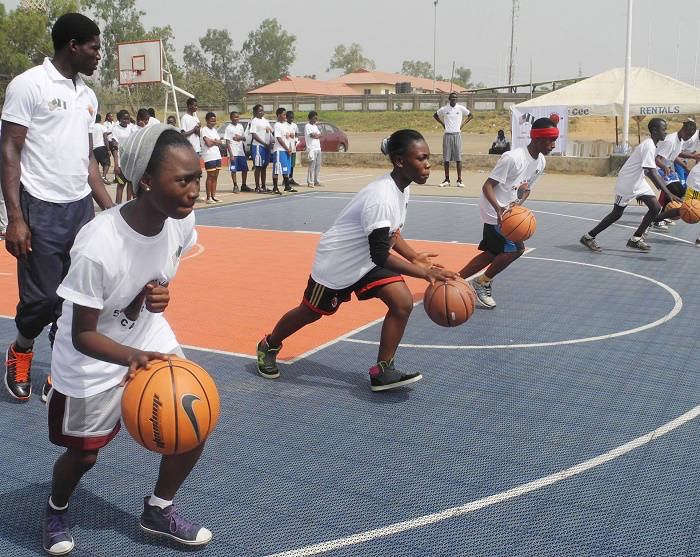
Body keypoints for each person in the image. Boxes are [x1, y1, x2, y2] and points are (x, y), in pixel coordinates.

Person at [41, 124, 211, 555]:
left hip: (148, 338)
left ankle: (158, 507)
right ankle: (56, 507)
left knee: (194, 421)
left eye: (196, 177)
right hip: (93, 356)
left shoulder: (180, 223)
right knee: (84, 456)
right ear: (147, 182)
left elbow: (153, 281)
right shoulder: (98, 244)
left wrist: (160, 296)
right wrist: (132, 356)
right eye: (183, 180)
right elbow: (82, 335)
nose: (194, 190)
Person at [256, 129, 459, 391]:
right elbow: (380, 254)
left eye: (428, 157)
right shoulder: (382, 196)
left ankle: (383, 370)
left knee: (402, 302)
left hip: (366, 261)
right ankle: (269, 344)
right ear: (400, 161)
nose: (428, 164)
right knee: (310, 313)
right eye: (421, 158)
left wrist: (413, 256)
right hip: (337, 264)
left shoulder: (402, 188)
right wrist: (424, 274)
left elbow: (391, 234)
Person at [1, 12, 113, 402]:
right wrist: (14, 217)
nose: (99, 56)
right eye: (95, 48)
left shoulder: (88, 96)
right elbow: (10, 149)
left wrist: (111, 212)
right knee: (42, 300)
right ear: (74, 46)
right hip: (39, 207)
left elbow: (88, 161)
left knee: (76, 298)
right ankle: (21, 349)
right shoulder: (28, 84)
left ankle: (61, 369)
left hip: (79, 209)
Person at [459, 118, 557, 309]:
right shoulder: (513, 158)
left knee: (492, 253)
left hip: (508, 211)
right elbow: (487, 186)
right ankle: (481, 282)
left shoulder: (541, 162)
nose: (553, 145)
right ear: (537, 139)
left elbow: (525, 189)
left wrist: (518, 207)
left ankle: (454, 280)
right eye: (549, 140)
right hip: (493, 209)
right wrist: (499, 209)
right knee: (516, 249)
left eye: (554, 140)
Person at [580, 118, 683, 253]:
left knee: (655, 207)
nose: (666, 132)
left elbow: (648, 170)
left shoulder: (652, 145)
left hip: (638, 181)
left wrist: (642, 193)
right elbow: (651, 172)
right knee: (616, 214)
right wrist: (668, 193)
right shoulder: (648, 146)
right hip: (627, 183)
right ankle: (589, 236)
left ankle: (635, 239)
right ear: (654, 131)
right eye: (664, 129)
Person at [651, 120, 697, 229]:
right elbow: (657, 159)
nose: (689, 137)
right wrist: (665, 167)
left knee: (681, 191)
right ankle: (658, 219)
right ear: (683, 130)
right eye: (689, 134)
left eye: (691, 136)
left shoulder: (680, 140)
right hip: (655, 168)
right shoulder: (671, 141)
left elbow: (675, 155)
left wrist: (685, 167)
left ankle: (663, 215)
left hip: (665, 168)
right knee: (674, 191)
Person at [433, 92, 473, 188]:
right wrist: (442, 124)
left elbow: (471, 115)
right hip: (447, 135)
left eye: (455, 97)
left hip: (457, 135)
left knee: (458, 159)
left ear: (457, 99)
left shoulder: (460, 108)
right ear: (449, 99)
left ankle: (459, 179)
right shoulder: (444, 109)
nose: (454, 99)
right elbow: (435, 115)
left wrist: (463, 124)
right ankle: (447, 179)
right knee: (446, 159)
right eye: (452, 97)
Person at [111, 109, 137, 203]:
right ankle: (117, 205)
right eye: (124, 119)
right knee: (121, 185)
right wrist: (116, 164)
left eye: (128, 118)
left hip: (130, 161)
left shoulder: (131, 128)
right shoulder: (115, 129)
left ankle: (128, 203)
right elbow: (114, 148)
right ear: (119, 119)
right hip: (121, 162)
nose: (126, 120)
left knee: (130, 185)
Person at [180, 97, 202, 200]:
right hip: (189, 148)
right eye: (194, 105)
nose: (196, 107)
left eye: (197, 105)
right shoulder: (185, 118)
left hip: (197, 148)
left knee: (197, 172)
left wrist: (198, 129)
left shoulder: (195, 118)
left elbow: (198, 134)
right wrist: (194, 129)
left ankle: (195, 192)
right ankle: (187, 192)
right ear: (189, 106)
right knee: (189, 172)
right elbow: (183, 134)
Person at [249, 104, 273, 193]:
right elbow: (254, 134)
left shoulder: (265, 120)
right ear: (255, 112)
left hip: (266, 147)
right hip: (259, 146)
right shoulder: (254, 121)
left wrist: (270, 142)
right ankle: (257, 187)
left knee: (264, 166)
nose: (261, 112)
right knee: (258, 166)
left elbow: (270, 132)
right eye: (259, 111)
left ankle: (263, 186)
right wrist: (263, 143)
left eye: (262, 110)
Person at [224, 111, 250, 193]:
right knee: (233, 170)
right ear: (231, 118)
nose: (236, 119)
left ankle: (244, 185)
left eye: (238, 117)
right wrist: (231, 155)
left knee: (245, 169)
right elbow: (227, 142)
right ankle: (235, 185)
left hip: (240, 152)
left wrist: (240, 138)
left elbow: (244, 138)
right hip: (233, 152)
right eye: (235, 117)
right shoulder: (228, 128)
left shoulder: (240, 126)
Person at [200, 112, 222, 203]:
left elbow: (220, 142)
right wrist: (215, 142)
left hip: (217, 155)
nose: (213, 123)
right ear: (207, 120)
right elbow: (208, 144)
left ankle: (213, 196)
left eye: (214, 121)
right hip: (209, 156)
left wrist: (213, 141)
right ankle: (208, 197)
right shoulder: (204, 130)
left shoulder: (214, 130)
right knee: (210, 176)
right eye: (211, 121)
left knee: (215, 176)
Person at [271, 107, 293, 195]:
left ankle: (287, 187)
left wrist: (290, 148)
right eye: (284, 115)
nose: (285, 116)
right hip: (279, 150)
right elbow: (279, 139)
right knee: (277, 169)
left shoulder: (285, 125)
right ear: (279, 115)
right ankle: (275, 188)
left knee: (286, 168)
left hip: (287, 150)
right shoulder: (277, 125)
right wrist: (287, 149)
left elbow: (289, 138)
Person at [92, 113, 111, 184]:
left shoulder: (90, 127)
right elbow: (105, 138)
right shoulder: (102, 127)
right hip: (101, 147)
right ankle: (103, 177)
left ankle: (95, 179)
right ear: (100, 119)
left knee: (95, 165)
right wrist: (108, 149)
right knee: (107, 163)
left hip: (93, 148)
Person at [305, 111, 322, 188]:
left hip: (318, 148)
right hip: (312, 148)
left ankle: (316, 181)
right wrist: (316, 135)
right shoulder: (307, 126)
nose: (316, 119)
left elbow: (319, 135)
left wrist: (317, 135)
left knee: (318, 165)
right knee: (312, 165)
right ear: (311, 118)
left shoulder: (315, 126)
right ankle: (310, 181)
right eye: (315, 117)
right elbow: (312, 135)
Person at [286, 110, 300, 186]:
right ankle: (286, 179)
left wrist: (296, 140)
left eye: (292, 118)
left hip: (293, 148)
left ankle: (291, 178)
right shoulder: (285, 125)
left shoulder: (294, 125)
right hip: (287, 147)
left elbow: (297, 134)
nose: (291, 119)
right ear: (287, 117)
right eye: (290, 118)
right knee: (287, 164)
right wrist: (288, 135)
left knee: (292, 165)